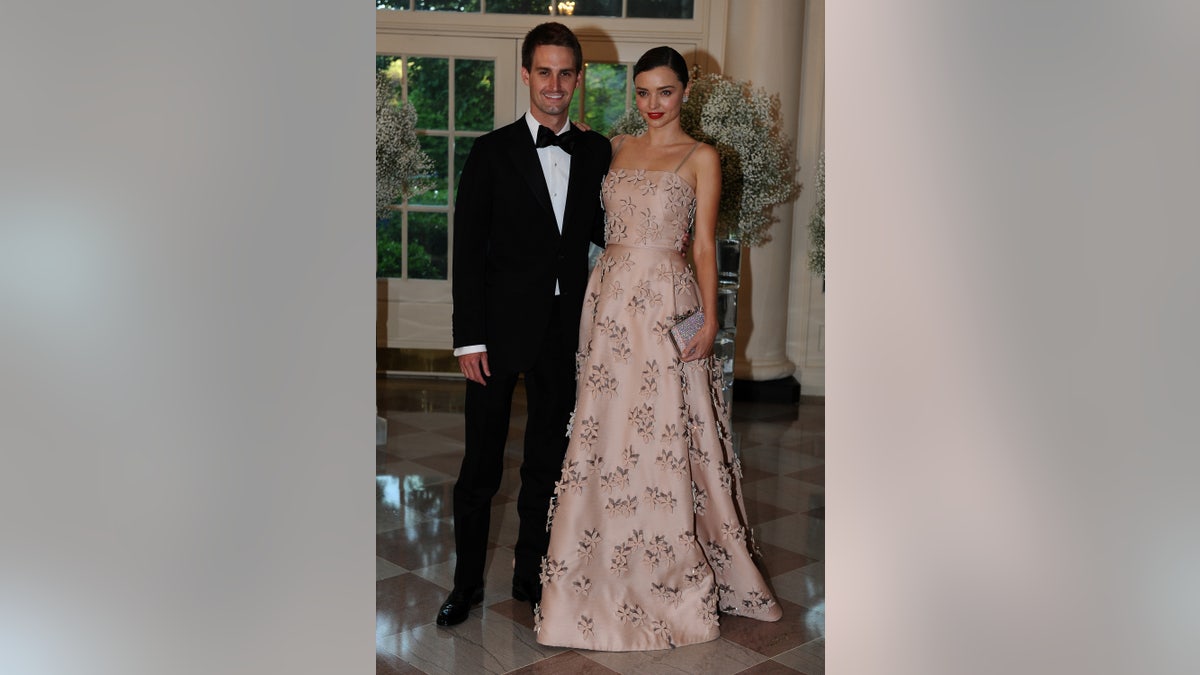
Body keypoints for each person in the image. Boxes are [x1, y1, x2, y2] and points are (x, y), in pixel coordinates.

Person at [534, 46, 783, 651]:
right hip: (611, 301)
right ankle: (590, 570)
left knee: (668, 433)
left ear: (685, 91)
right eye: (642, 92)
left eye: (664, 92)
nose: (651, 105)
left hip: (666, 302)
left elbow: (703, 246)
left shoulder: (703, 158)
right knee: (606, 429)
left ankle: (672, 575)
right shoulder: (615, 148)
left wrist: (709, 319)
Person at [436, 22, 612, 627]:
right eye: (545, 72)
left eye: (566, 73)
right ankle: (464, 586)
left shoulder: (595, 150)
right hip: (495, 336)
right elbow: (468, 250)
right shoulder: (491, 152)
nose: (555, 85)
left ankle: (528, 576)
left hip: (563, 333)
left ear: (579, 77)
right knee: (480, 468)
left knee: (546, 463)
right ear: (526, 74)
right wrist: (468, 338)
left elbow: (603, 235)